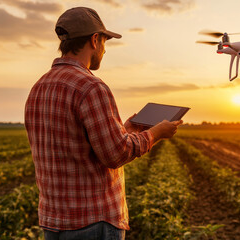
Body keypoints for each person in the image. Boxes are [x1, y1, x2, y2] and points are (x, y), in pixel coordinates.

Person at [24, 6, 182, 240]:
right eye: (105, 42)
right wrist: (156, 133)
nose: (105, 51)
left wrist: (125, 131)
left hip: (53, 222)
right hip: (92, 221)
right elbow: (116, 154)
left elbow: (78, 143)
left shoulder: (39, 87)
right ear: (95, 40)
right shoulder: (91, 87)